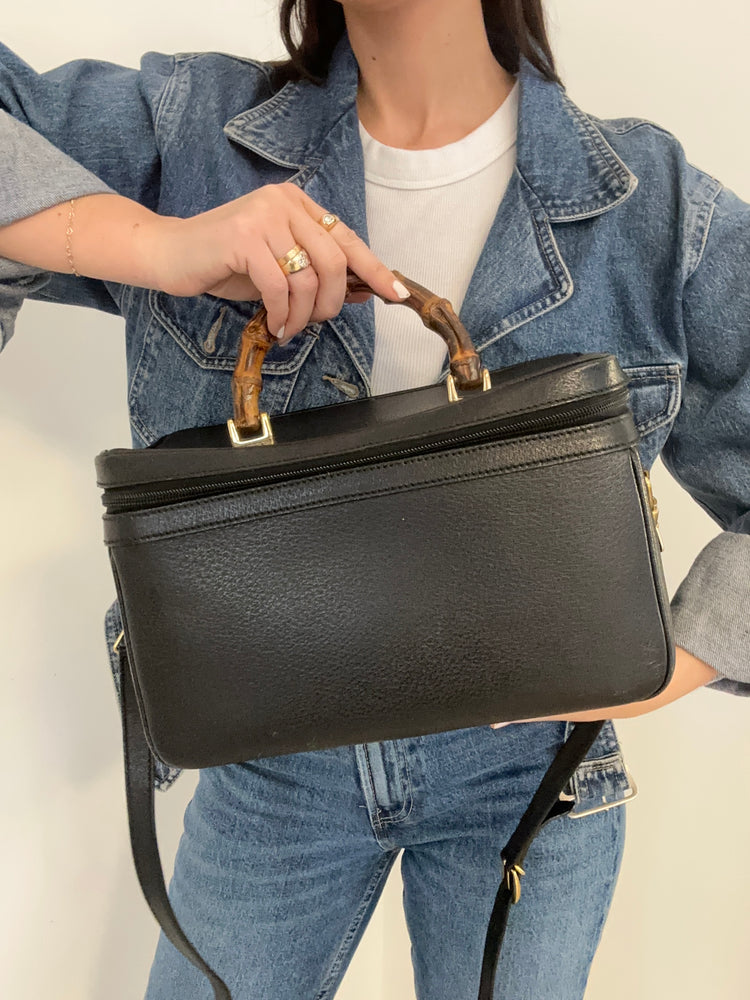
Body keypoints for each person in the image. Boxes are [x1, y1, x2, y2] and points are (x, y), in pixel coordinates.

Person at [0, 1, 748, 998]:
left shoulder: (650, 208)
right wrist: (160, 246)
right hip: (270, 764)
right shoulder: (191, 132)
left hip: (531, 775)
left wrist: (673, 658)